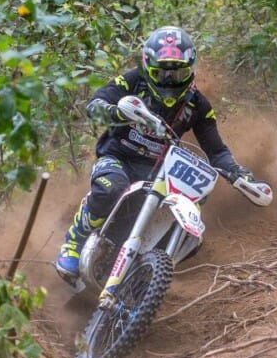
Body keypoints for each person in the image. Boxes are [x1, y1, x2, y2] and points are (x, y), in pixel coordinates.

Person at [54, 25, 255, 282]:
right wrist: (118, 113)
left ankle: (144, 277)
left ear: (190, 69)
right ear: (148, 66)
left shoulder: (198, 105)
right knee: (110, 187)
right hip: (118, 159)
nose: (169, 81)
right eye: (162, 73)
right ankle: (74, 241)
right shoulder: (133, 80)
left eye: (178, 73)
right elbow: (95, 105)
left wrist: (238, 173)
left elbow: (216, 151)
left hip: (160, 173)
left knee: (185, 228)